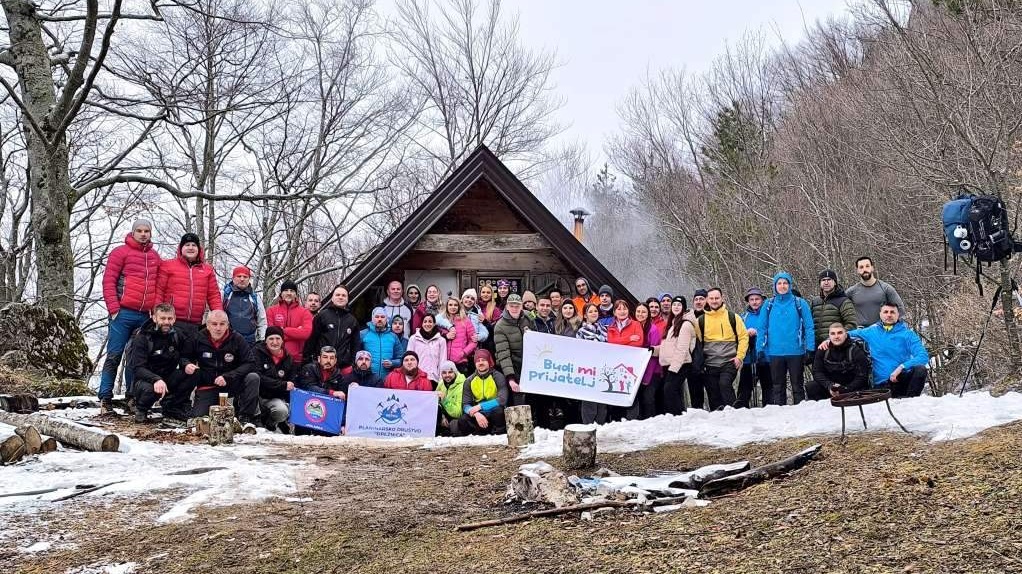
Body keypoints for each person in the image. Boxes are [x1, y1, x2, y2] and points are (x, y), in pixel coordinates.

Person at [99, 219, 162, 410]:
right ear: (133, 232)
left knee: (136, 358)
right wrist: (114, 309)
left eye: (147, 231)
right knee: (114, 355)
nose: (143, 234)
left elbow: (158, 285)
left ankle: (132, 397)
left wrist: (156, 311)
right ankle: (105, 397)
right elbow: (108, 281)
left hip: (144, 316)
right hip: (123, 314)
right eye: (140, 231)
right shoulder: (120, 253)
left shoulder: (154, 256)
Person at [830, 303, 928, 398]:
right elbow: (845, 334)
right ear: (880, 314)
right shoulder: (871, 332)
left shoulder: (908, 334)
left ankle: (910, 403)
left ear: (898, 315)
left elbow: (923, 356)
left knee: (920, 370)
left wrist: (902, 367)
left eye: (892, 312)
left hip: (903, 379)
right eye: (886, 312)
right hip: (883, 385)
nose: (889, 315)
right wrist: (827, 341)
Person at [179, 310, 258, 423]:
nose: (218, 328)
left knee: (253, 377)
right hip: (208, 385)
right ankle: (178, 406)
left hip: (231, 383)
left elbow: (250, 363)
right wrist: (186, 364)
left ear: (227, 325)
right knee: (200, 419)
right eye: (214, 324)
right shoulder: (197, 338)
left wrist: (228, 376)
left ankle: (246, 416)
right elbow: (183, 357)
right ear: (207, 325)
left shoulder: (237, 338)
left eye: (222, 324)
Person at [759, 272, 814, 406]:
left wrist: (810, 348)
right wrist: (760, 348)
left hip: (796, 351)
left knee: (797, 386)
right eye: (779, 283)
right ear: (775, 286)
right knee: (777, 387)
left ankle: (800, 413)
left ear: (789, 285)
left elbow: (809, 327)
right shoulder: (768, 304)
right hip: (775, 352)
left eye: (785, 283)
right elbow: (762, 328)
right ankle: (780, 415)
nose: (782, 286)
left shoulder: (800, 303)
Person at [127, 303, 186, 423]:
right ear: (154, 318)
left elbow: (184, 355)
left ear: (174, 319)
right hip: (146, 380)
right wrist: (155, 379)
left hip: (167, 376)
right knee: (151, 389)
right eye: (162, 318)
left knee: (193, 373)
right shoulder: (143, 337)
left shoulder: (177, 335)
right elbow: (137, 368)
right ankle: (141, 409)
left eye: (169, 318)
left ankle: (171, 407)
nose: (166, 322)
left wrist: (187, 364)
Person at [156, 232, 221, 339]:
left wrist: (218, 316)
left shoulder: (207, 270)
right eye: (187, 245)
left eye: (194, 245)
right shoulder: (167, 265)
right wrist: (157, 314)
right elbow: (159, 290)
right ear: (181, 248)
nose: (190, 248)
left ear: (199, 249)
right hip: (171, 321)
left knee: (190, 354)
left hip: (196, 324)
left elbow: (213, 295)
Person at [699, 288, 749, 410]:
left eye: (717, 298)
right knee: (713, 391)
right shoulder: (701, 320)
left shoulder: (733, 317)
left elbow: (743, 337)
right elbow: (696, 343)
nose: (714, 301)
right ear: (707, 300)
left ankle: (734, 412)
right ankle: (718, 418)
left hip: (729, 361)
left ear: (722, 298)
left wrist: (739, 357)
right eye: (711, 298)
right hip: (710, 363)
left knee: (724, 384)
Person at [494, 294, 536, 421]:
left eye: (517, 305)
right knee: (517, 398)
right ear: (507, 306)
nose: (514, 308)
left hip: (530, 364)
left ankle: (537, 426)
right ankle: (520, 426)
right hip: (514, 365)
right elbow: (503, 353)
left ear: (521, 306)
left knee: (534, 397)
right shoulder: (500, 326)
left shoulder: (528, 318)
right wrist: (511, 378)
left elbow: (536, 339)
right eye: (511, 305)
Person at [303, 284, 361, 373]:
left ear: (347, 299)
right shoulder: (322, 316)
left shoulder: (352, 320)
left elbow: (355, 346)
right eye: (337, 295)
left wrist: (353, 364)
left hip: (343, 368)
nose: (340, 297)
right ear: (332, 298)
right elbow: (312, 340)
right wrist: (307, 361)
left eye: (343, 295)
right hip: (321, 367)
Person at [250, 326, 297, 432]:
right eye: (271, 339)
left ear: (282, 340)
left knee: (282, 411)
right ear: (265, 340)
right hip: (257, 396)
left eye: (277, 338)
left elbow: (290, 383)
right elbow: (258, 377)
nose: (274, 342)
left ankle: (271, 423)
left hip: (274, 398)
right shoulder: (256, 352)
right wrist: (282, 385)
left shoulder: (289, 359)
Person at [807, 323, 871, 400]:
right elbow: (817, 372)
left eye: (840, 333)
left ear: (846, 335)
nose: (836, 336)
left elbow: (862, 376)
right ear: (829, 336)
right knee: (811, 386)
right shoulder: (823, 350)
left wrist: (845, 389)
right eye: (833, 334)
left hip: (852, 388)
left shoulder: (855, 350)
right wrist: (829, 386)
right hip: (830, 387)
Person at [455, 350, 509, 436]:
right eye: (478, 361)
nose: (480, 363)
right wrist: (476, 413)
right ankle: (476, 436)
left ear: (489, 361)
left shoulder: (498, 376)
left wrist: (480, 406)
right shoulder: (469, 380)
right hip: (479, 414)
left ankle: (499, 434)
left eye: (483, 360)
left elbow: (502, 400)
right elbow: (465, 405)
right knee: (463, 420)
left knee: (498, 411)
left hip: (494, 411)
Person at [622, 302, 661, 420]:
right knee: (635, 398)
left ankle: (650, 421)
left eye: (643, 312)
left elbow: (653, 355)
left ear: (648, 314)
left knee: (648, 398)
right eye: (638, 311)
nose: (640, 314)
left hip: (651, 370)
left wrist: (647, 377)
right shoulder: (631, 327)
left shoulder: (653, 329)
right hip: (635, 371)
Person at [658, 296, 696, 415]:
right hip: (671, 364)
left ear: (684, 308)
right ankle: (675, 416)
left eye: (679, 305)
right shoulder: (672, 324)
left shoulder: (685, 325)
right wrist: (653, 350)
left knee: (669, 390)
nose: (676, 307)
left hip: (681, 364)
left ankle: (678, 416)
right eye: (674, 304)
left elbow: (682, 349)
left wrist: (674, 368)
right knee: (671, 391)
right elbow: (667, 346)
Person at [846, 256, 907, 326]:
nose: (865, 269)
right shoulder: (851, 291)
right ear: (857, 270)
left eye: (867, 266)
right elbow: (840, 308)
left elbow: (900, 309)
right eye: (861, 267)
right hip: (861, 333)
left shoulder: (886, 288)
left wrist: (895, 329)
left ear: (872, 268)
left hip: (882, 331)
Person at [738, 287, 773, 408]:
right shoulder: (743, 317)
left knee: (769, 390)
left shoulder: (769, 315)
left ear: (762, 300)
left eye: (757, 299)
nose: (754, 302)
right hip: (749, 358)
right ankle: (741, 414)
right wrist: (747, 334)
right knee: (744, 391)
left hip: (767, 357)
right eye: (751, 299)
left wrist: (758, 332)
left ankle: (770, 414)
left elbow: (773, 331)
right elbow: (739, 335)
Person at [265, 279, 314, 365]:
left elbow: (306, 333)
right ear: (281, 293)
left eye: (292, 291)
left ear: (295, 294)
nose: (289, 293)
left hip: (297, 359)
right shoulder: (271, 311)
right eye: (286, 290)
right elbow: (271, 334)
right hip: (275, 358)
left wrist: (282, 330)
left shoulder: (305, 312)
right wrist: (296, 331)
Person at [576, 303, 609, 424]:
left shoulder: (604, 329)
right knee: (589, 403)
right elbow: (579, 351)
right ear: (585, 315)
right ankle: (587, 427)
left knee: (602, 404)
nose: (594, 313)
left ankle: (601, 426)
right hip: (588, 371)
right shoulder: (581, 332)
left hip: (602, 370)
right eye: (590, 312)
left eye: (595, 311)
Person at [809, 269, 859, 346]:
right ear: (820, 283)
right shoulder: (815, 301)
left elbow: (851, 324)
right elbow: (809, 324)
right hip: (816, 345)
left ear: (835, 282)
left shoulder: (844, 301)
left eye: (829, 280)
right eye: (823, 280)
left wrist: (834, 338)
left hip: (835, 345)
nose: (826, 282)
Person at [221, 265, 266, 344]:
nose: (242, 279)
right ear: (233, 278)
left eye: (245, 277)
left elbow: (262, 321)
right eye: (239, 276)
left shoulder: (255, 297)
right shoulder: (224, 295)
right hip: (227, 340)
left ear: (249, 279)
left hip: (249, 341)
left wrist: (263, 340)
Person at [438, 296, 477, 374]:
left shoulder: (466, 321)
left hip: (461, 362)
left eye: (455, 305)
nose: (453, 307)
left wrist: (463, 353)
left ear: (459, 307)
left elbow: (473, 341)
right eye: (450, 305)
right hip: (443, 361)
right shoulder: (441, 321)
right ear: (447, 306)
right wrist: (446, 336)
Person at [361, 307, 402, 379]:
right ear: (372, 319)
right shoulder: (363, 334)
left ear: (386, 319)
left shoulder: (393, 336)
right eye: (377, 317)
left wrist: (392, 363)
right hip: (367, 379)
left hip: (387, 379)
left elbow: (401, 359)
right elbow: (355, 357)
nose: (379, 319)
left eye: (382, 317)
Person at [406, 314, 448, 384]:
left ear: (434, 324)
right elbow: (408, 359)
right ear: (422, 324)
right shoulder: (413, 338)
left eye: (430, 321)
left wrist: (441, 381)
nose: (427, 324)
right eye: (425, 321)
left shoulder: (441, 340)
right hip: (416, 378)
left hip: (433, 379)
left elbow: (442, 361)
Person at [436, 360, 466, 434]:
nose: (447, 375)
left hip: (457, 418)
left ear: (455, 372)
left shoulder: (462, 385)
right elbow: (435, 403)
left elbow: (458, 413)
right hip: (445, 416)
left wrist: (445, 401)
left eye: (450, 372)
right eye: (444, 373)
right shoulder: (441, 383)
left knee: (454, 426)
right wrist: (442, 417)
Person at [477, 284, 502, 355]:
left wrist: (485, 322)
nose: (485, 294)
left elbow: (497, 330)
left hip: (489, 345)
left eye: (488, 292)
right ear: (480, 294)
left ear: (492, 295)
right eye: (483, 292)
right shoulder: (475, 307)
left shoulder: (495, 309)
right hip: (475, 343)